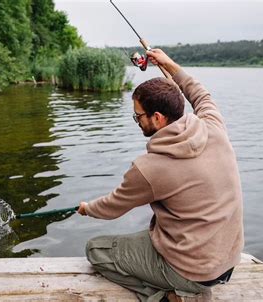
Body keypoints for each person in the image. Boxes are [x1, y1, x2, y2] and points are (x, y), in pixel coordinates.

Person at [78, 49, 244, 302]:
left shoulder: (149, 168)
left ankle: (167, 296)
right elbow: (200, 94)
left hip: (193, 271)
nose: (136, 120)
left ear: (157, 117)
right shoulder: (214, 126)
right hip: (229, 261)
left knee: (97, 250)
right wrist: (169, 64)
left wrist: (87, 208)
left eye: (138, 115)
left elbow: (112, 206)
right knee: (148, 235)